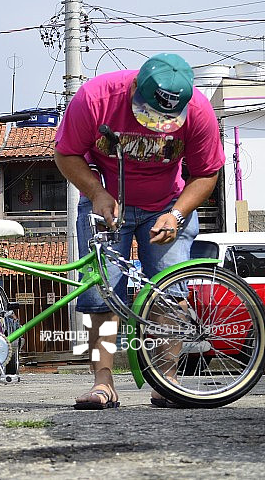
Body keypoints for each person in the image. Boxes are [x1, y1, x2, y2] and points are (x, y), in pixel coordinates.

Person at [53, 53, 225, 409]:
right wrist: (97, 193)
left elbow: (207, 172)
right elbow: (66, 153)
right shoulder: (95, 98)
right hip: (106, 202)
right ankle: (103, 384)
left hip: (167, 205)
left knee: (169, 289)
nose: (155, 125)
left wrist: (177, 214)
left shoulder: (199, 112)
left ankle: (168, 382)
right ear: (134, 88)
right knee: (100, 291)